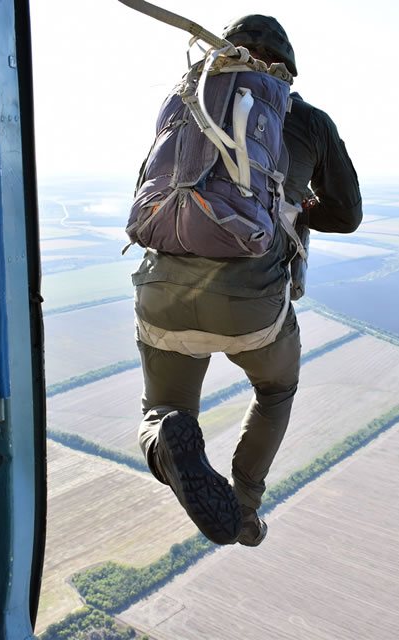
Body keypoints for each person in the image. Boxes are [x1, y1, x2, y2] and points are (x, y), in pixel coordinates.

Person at [132, 14, 362, 547]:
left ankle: (168, 438)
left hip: (161, 295)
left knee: (161, 411)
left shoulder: (189, 106)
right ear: (287, 74)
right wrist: (299, 208)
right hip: (253, 304)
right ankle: (243, 507)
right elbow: (347, 214)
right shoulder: (308, 121)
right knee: (276, 389)